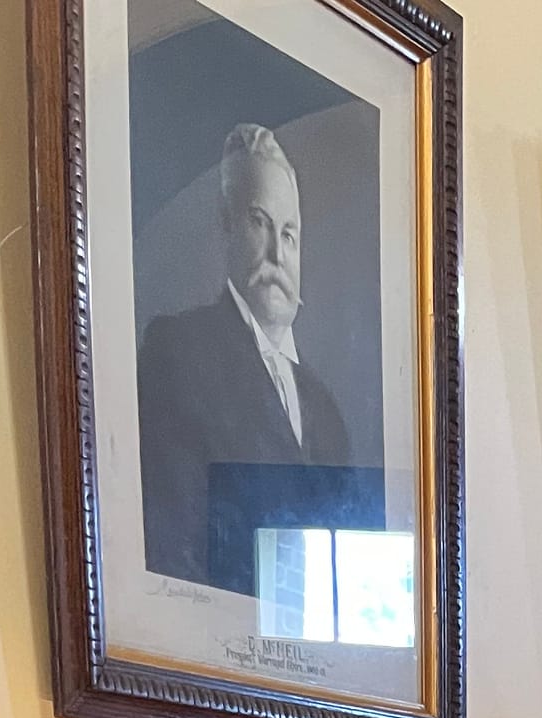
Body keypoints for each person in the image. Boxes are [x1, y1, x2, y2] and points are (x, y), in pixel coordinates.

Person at [137, 122, 373, 596]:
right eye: (259, 223)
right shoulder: (179, 352)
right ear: (226, 228)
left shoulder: (325, 413)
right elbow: (174, 556)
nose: (276, 255)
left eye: (289, 235)